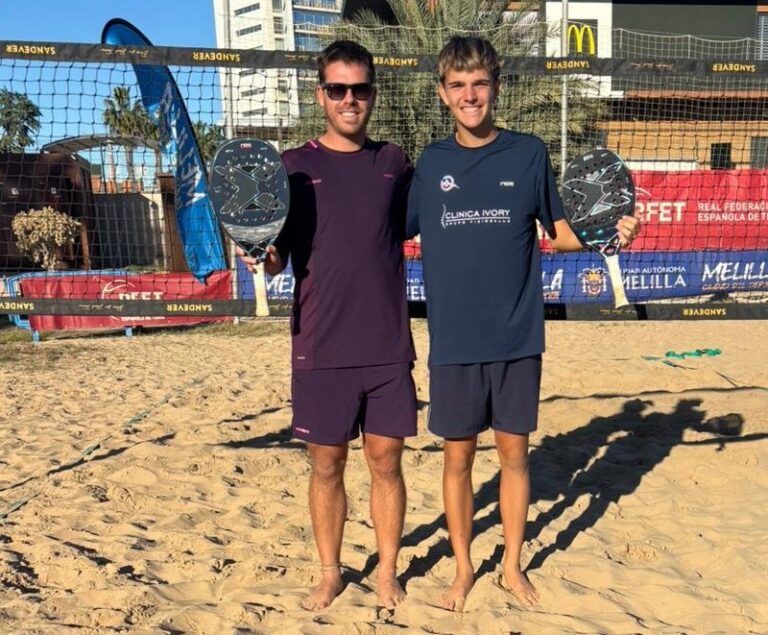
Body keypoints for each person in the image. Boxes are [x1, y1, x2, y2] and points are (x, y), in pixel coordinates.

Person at [405, 36, 640, 612]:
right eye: (458, 85)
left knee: (514, 456)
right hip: (454, 340)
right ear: (442, 94)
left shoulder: (528, 154)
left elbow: (559, 234)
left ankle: (511, 565)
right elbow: (385, 229)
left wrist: (609, 233)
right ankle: (463, 569)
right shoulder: (431, 164)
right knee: (457, 460)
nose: (470, 95)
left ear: (497, 87)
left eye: (479, 84)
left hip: (516, 336)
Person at [238, 40, 417, 611]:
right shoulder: (293, 167)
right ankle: (329, 572)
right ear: (320, 95)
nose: (349, 99)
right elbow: (276, 259)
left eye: (359, 89)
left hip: (387, 344)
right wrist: (259, 253)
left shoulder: (394, 163)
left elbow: (439, 218)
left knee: (386, 462)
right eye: (337, 89)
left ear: (372, 94)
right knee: (326, 464)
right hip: (321, 343)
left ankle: (387, 572)